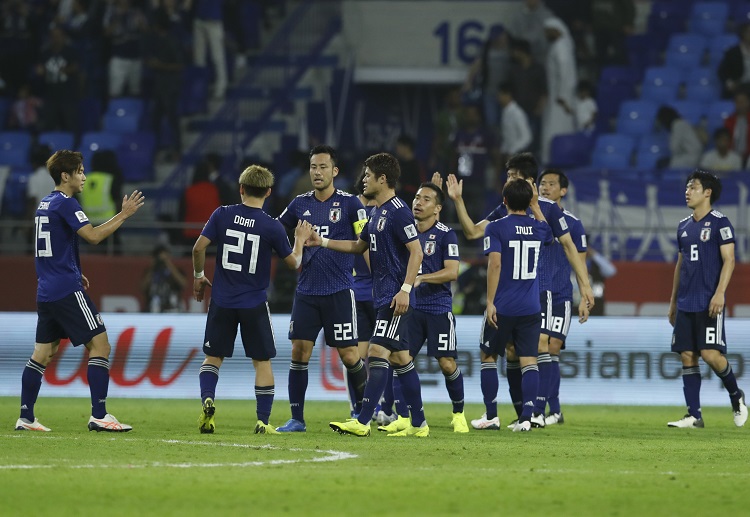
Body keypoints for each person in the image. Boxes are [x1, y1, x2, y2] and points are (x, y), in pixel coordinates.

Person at [436, 152, 594, 430]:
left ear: (528, 181)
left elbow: (569, 247)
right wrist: (458, 201)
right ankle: (525, 412)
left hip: (540, 291)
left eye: (512, 177)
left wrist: (584, 286)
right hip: (527, 296)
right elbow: (473, 232)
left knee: (539, 348)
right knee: (516, 354)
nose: (507, 181)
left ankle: (537, 411)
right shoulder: (508, 210)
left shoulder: (550, 209)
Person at [15, 150, 145, 432]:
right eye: (80, 171)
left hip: (47, 289)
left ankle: (25, 417)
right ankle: (99, 415)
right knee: (101, 345)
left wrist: (73, 268)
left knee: (43, 353)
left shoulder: (44, 204)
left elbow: (52, 248)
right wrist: (124, 214)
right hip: (65, 289)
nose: (84, 176)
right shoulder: (66, 202)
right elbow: (94, 237)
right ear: (66, 175)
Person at [310, 152, 428, 437]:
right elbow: (357, 247)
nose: (363, 180)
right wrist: (322, 241)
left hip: (395, 299)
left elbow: (417, 251)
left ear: (382, 179)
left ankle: (362, 421)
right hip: (382, 297)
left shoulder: (400, 211)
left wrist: (405, 290)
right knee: (401, 359)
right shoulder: (376, 213)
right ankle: (420, 424)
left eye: (367, 175)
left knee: (375, 352)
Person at [192, 164, 313, 435]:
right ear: (268, 192)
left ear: (241, 188)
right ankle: (262, 420)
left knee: (212, 358)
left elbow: (198, 246)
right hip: (254, 304)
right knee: (262, 362)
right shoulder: (271, 226)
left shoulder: (222, 214)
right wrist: (300, 240)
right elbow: (294, 263)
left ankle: (207, 403)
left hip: (222, 301)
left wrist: (199, 275)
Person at [275, 145, 369, 432]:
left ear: (334, 171)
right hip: (306, 292)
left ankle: (362, 414)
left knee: (350, 355)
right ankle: (297, 419)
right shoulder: (298, 204)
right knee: (299, 352)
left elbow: (362, 244)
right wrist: (297, 243)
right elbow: (277, 233)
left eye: (323, 167)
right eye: (313, 167)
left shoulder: (352, 204)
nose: (317, 172)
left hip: (340, 291)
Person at [667, 170, 747, 429]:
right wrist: (672, 301)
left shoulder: (721, 223)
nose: (687, 191)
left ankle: (736, 395)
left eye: (693, 187)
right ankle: (694, 415)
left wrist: (720, 292)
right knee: (687, 355)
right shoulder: (683, 226)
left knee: (711, 355)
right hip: (685, 302)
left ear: (708, 192)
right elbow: (680, 265)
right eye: (687, 187)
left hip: (709, 301)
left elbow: (730, 260)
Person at [484, 178, 553, 432]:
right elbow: (546, 231)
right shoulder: (539, 228)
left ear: (504, 201)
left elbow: (495, 264)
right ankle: (527, 417)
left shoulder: (496, 227)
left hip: (503, 306)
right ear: (529, 201)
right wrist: (535, 205)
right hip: (531, 307)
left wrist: (490, 301)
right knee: (529, 361)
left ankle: (491, 415)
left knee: (488, 356)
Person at [404, 182, 468, 432]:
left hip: (438, 308)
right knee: (402, 361)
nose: (418, 202)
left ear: (438, 208)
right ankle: (409, 418)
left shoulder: (445, 234)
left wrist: (422, 278)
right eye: (417, 197)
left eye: (426, 199)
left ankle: (459, 413)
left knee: (447, 363)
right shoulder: (406, 230)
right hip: (412, 308)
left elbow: (452, 272)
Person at [536, 169, 588, 425]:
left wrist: (584, 297)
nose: (545, 187)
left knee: (552, 347)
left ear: (563, 190)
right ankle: (550, 409)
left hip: (561, 296)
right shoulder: (532, 218)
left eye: (552, 184)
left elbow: (581, 262)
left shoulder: (574, 224)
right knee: (539, 350)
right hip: (535, 293)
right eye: (542, 183)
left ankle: (550, 409)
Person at [541, 17, 577, 165]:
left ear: (556, 31)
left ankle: (555, 161)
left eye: (548, 32)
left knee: (555, 130)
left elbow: (566, 73)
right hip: (556, 96)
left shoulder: (561, 47)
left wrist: (563, 97)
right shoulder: (557, 46)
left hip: (561, 100)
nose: (546, 35)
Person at [180, 160, 221, 246]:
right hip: (211, 235)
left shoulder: (188, 191)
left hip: (191, 234)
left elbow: (181, 213)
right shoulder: (214, 190)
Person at [141, 244, 186, 312]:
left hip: (173, 307)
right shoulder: (150, 271)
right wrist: (153, 267)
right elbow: (143, 287)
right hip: (153, 307)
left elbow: (183, 284)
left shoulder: (177, 270)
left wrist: (168, 264)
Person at [497, 82, 532, 161]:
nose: (498, 97)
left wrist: (513, 151)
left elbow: (527, 137)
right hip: (508, 154)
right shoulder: (505, 112)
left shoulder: (517, 113)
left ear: (508, 95)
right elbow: (507, 137)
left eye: (500, 94)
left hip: (519, 155)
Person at [718, 23, 750, 99]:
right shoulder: (733, 52)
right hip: (740, 85)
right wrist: (729, 83)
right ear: (743, 34)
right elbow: (721, 71)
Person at [394, 134, 425, 207]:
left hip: (412, 205)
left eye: (399, 146)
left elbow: (421, 187)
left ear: (406, 147)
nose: (397, 149)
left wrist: (402, 187)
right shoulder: (397, 164)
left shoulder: (417, 166)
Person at [724, 86, 750, 163]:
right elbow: (726, 140)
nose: (739, 105)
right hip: (732, 156)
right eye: (737, 102)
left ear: (748, 102)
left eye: (742, 102)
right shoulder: (729, 121)